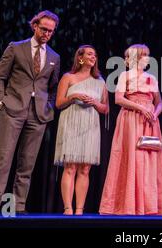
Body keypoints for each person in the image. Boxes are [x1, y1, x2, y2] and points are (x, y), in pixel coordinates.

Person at [0, 10, 61, 214]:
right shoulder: (16, 48)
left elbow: (53, 87)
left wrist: (48, 106)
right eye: (44, 29)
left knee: (27, 163)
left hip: (38, 115)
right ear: (34, 26)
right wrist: (1, 102)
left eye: (51, 32)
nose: (47, 34)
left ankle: (19, 205)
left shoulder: (54, 57)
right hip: (13, 109)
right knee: (3, 159)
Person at [99, 44, 162, 215]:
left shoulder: (151, 78)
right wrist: (141, 108)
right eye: (143, 55)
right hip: (131, 119)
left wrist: (155, 113)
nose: (147, 59)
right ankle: (128, 205)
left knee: (148, 160)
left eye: (147, 55)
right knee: (132, 158)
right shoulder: (125, 75)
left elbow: (159, 102)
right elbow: (119, 99)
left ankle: (149, 206)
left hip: (150, 122)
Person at [54, 45, 109, 215]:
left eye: (95, 55)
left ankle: (79, 209)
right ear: (80, 58)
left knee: (85, 169)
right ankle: (68, 208)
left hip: (90, 126)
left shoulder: (100, 81)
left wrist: (95, 102)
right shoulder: (68, 77)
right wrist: (73, 96)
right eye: (90, 54)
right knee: (70, 167)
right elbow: (58, 103)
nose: (93, 57)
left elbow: (105, 109)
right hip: (71, 123)